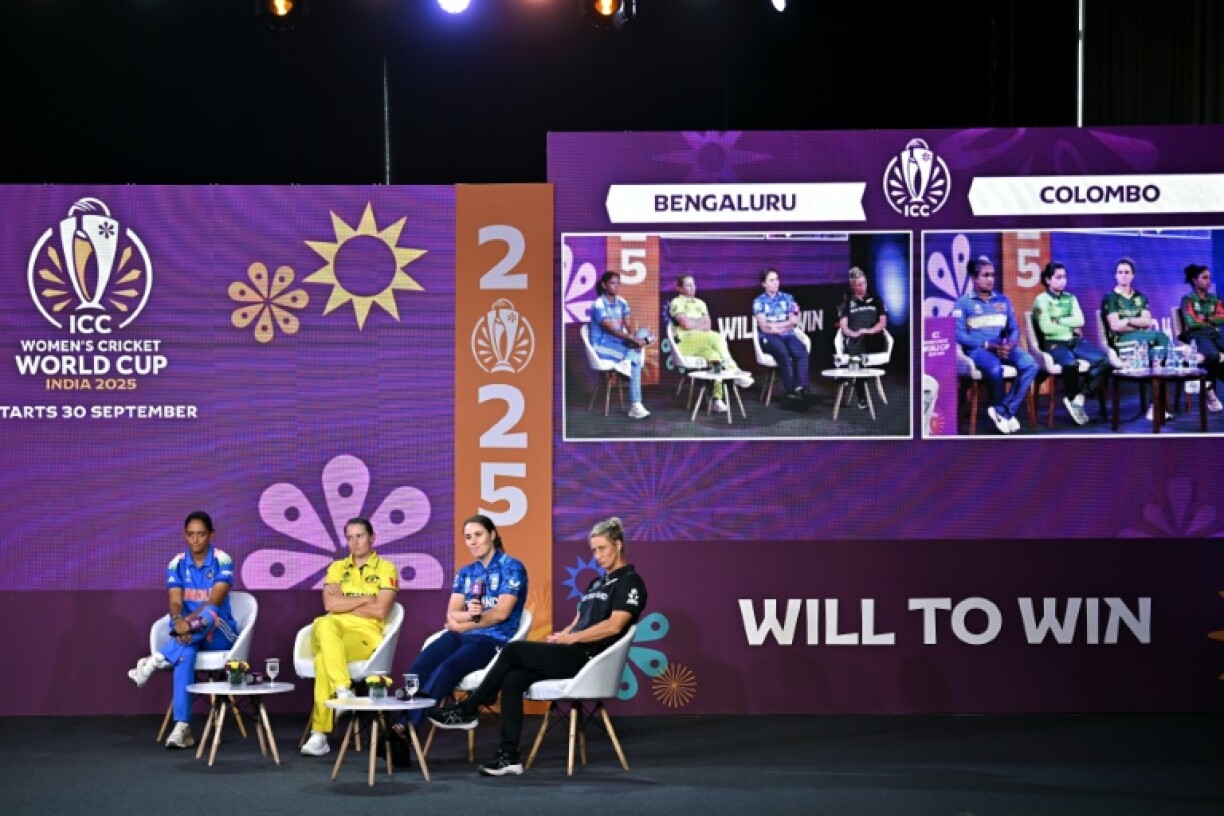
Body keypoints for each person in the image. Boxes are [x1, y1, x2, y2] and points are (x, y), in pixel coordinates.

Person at [428, 517, 648, 777]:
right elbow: (578, 623)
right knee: (512, 678)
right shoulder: (595, 583)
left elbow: (614, 626)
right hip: (572, 651)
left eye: (602, 549)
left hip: (591, 658)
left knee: (513, 649)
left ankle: (470, 706)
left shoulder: (630, 582)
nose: (597, 556)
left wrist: (572, 639)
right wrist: (562, 636)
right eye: (593, 550)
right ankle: (508, 757)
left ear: (619, 546)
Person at [401, 514, 528, 728]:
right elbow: (452, 613)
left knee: (447, 669)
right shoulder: (466, 573)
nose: (473, 541)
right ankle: (400, 727)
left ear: (493, 534)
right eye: (468, 537)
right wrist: (469, 615)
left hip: (490, 641)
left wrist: (463, 624)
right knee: (416, 670)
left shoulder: (512, 567)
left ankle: (404, 729)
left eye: (478, 535)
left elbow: (501, 614)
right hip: (459, 637)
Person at [128, 511, 239, 750]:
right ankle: (182, 728)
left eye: (201, 534)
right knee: (185, 655)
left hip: (218, 633)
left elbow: (215, 599)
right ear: (185, 536)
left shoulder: (223, 559)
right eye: (191, 535)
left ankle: (157, 658)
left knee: (209, 614)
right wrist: (178, 619)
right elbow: (175, 601)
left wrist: (185, 623)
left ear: (211, 535)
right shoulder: (176, 563)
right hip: (187, 635)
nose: (195, 540)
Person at [301, 517, 399, 757]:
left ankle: (319, 735)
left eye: (360, 536)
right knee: (324, 622)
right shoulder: (337, 568)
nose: (354, 542)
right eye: (350, 537)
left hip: (366, 634)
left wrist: (343, 604)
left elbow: (380, 611)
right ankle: (343, 689)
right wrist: (365, 598)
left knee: (323, 659)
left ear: (372, 537)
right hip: (333, 628)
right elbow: (329, 603)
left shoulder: (386, 568)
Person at [953, 255, 1038, 434]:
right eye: (986, 275)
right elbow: (959, 335)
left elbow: (1014, 328)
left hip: (1003, 347)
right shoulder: (963, 303)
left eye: (992, 275)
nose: (991, 279)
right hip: (978, 350)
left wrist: (1011, 343)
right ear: (974, 278)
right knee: (994, 369)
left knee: (1030, 364)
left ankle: (1003, 411)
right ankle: (1003, 411)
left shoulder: (1003, 300)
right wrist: (987, 344)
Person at [1032, 261, 1109, 426]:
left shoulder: (1070, 298)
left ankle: (1079, 397)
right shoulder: (1041, 300)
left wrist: (1058, 319)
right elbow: (1046, 328)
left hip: (1073, 341)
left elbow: (1080, 320)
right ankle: (1072, 396)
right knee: (1070, 364)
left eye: (1064, 277)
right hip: (1053, 343)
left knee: (1103, 360)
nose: (1063, 281)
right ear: (1048, 280)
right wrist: (1068, 325)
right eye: (1058, 277)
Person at [669, 274, 753, 413]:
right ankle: (734, 369)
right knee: (716, 337)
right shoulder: (676, 303)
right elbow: (685, 324)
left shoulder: (701, 303)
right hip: (685, 343)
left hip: (702, 340)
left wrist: (692, 323)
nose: (692, 288)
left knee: (716, 358)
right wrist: (696, 323)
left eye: (694, 284)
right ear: (680, 288)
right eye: (688, 285)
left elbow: (707, 325)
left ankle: (717, 399)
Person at [1101, 257, 1172, 421]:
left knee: (1156, 351)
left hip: (1142, 340)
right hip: (1121, 341)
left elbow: (1148, 323)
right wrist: (1137, 324)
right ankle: (1155, 405)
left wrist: (1128, 320)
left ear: (1133, 276)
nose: (1123, 276)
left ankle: (1154, 405)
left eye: (1127, 272)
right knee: (1160, 337)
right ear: (1115, 276)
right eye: (1120, 272)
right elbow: (1115, 327)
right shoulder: (1110, 298)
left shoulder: (1140, 297)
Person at [590, 271, 653, 419]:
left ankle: (628, 361)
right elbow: (609, 328)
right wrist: (632, 339)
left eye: (618, 283)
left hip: (619, 343)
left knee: (644, 332)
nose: (616, 286)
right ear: (604, 285)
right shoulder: (598, 304)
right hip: (602, 345)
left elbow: (628, 324)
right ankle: (635, 405)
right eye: (613, 283)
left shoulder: (622, 302)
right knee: (635, 361)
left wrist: (634, 337)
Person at [753, 267, 810, 408]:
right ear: (763, 284)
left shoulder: (788, 298)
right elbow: (765, 327)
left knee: (801, 351)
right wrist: (783, 325)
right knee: (783, 352)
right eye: (771, 280)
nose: (775, 283)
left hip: (787, 335)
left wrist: (777, 326)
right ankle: (790, 391)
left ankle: (800, 388)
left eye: (777, 279)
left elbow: (794, 322)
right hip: (768, 337)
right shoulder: (759, 301)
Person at [837, 266, 889, 409]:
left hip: (874, 339)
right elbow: (844, 327)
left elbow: (883, 322)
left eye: (864, 283)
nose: (862, 287)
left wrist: (870, 331)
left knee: (856, 354)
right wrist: (853, 333)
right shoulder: (847, 304)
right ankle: (862, 398)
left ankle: (844, 375)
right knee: (857, 355)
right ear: (853, 286)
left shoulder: (876, 299)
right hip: (856, 340)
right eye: (859, 284)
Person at [1178, 262, 1224, 412]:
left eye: (1209, 278)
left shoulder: (1214, 299)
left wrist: (1205, 318)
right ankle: (1209, 390)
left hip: (1213, 333)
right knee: (1213, 355)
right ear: (1195, 280)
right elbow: (1191, 322)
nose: (1208, 281)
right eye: (1204, 278)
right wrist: (1210, 319)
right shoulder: (1188, 299)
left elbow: (1222, 317)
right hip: (1195, 335)